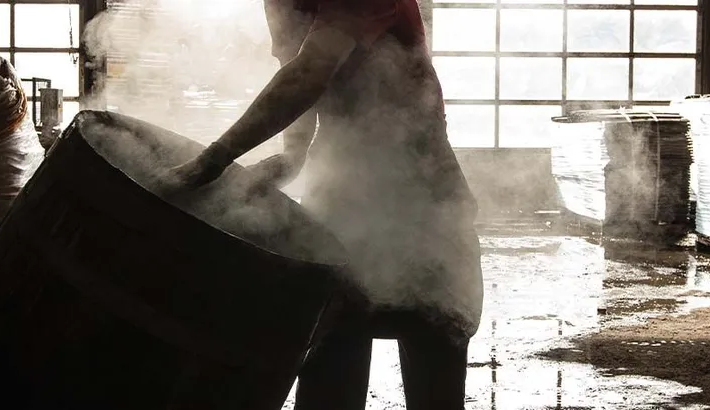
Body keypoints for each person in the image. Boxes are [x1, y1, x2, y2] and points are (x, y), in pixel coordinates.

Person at [165, 0, 484, 408]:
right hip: (343, 195)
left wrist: (213, 159)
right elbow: (297, 67)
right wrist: (292, 154)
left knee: (434, 345)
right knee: (330, 354)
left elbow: (311, 72)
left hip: (423, 197)